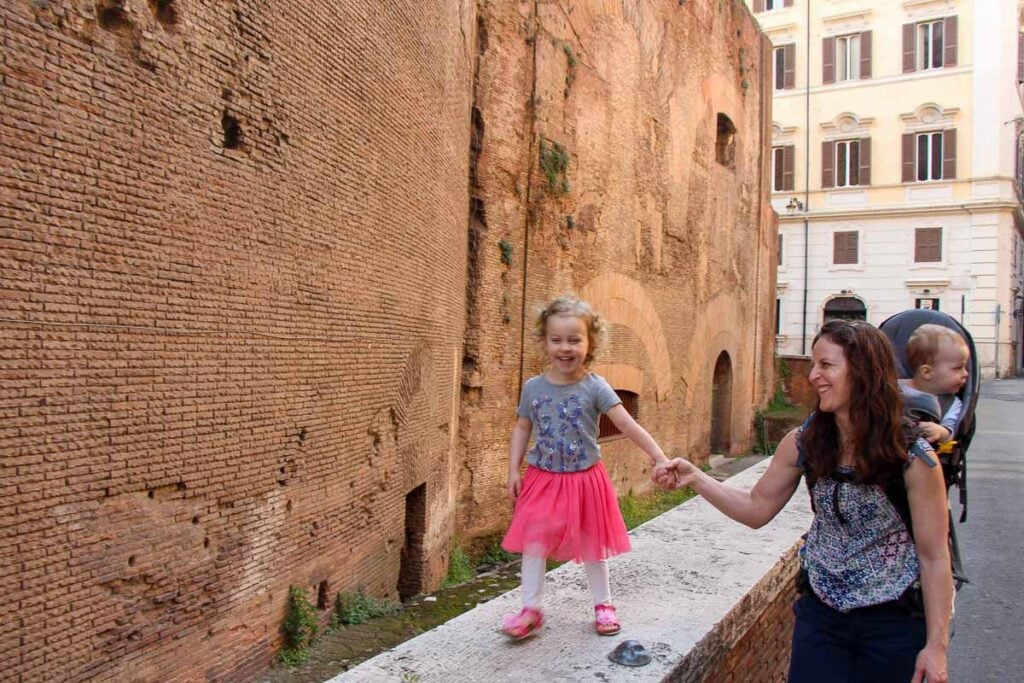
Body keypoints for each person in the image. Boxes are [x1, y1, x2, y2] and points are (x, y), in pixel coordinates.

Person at [654, 320, 952, 683]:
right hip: (821, 616)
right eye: (814, 365)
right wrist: (695, 478)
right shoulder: (804, 442)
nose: (813, 376)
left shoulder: (913, 458)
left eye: (827, 365)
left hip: (892, 623)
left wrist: (936, 647)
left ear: (864, 371)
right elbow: (755, 508)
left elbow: (934, 556)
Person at [500, 295, 669, 639]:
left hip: (584, 480)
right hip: (541, 479)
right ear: (544, 341)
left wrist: (659, 456)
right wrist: (513, 469)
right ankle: (530, 608)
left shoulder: (595, 387)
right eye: (556, 339)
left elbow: (627, 424)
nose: (565, 348)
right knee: (534, 542)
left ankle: (603, 604)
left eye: (574, 339)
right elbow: (522, 427)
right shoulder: (533, 388)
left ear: (590, 343)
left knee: (593, 543)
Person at [901, 323, 970, 446]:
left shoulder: (951, 403)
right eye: (958, 368)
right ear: (927, 372)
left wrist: (940, 432)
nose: (966, 374)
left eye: (965, 367)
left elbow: (951, 430)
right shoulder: (895, 388)